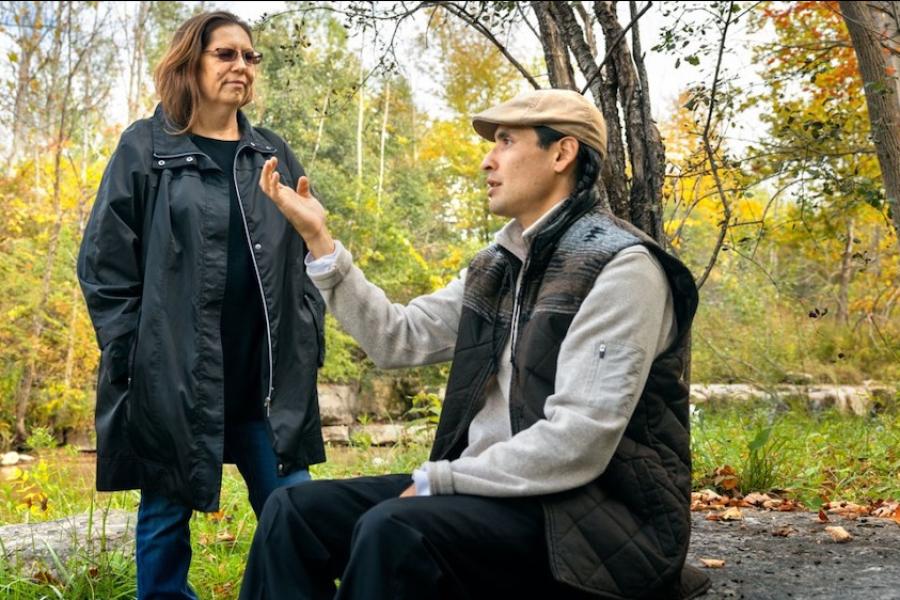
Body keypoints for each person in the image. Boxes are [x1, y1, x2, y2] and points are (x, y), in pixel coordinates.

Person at [240, 89, 710, 599]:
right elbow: (398, 338)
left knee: (394, 529)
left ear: (562, 153)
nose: (487, 159)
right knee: (293, 512)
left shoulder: (623, 270)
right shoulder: (497, 266)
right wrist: (320, 243)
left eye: (506, 142)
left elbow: (579, 438)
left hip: (595, 519)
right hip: (495, 495)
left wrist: (437, 480)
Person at [77, 11, 326, 599]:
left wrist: (307, 331)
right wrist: (134, 351)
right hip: (176, 379)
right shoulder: (147, 147)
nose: (241, 66)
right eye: (226, 54)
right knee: (166, 516)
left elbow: (305, 252)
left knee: (297, 514)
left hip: (263, 381)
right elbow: (105, 262)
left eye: (249, 56)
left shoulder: (270, 153)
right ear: (192, 63)